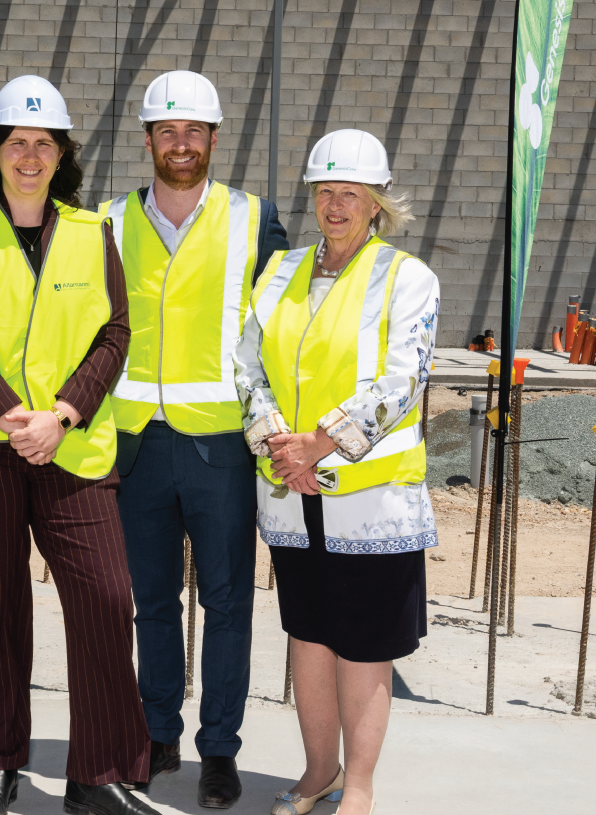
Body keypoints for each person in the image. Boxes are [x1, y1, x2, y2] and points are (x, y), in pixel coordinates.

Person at [0, 74, 154, 815]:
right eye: (16, 142)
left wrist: (63, 413)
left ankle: (100, 772)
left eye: (43, 143)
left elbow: (116, 332)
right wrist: (8, 416)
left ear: (62, 156)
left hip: (70, 444)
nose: (29, 155)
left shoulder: (92, 232)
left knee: (105, 597)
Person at [94, 70, 287, 809]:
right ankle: (156, 731)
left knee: (229, 600)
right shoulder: (105, 223)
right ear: (147, 140)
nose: (182, 144)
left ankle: (220, 749)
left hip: (221, 449)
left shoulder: (253, 219)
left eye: (194, 132)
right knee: (150, 600)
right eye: (168, 132)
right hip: (137, 444)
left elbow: (280, 329)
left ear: (213, 140)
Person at [233, 129, 438, 815]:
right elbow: (248, 362)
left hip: (371, 499)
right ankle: (318, 770)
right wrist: (274, 443)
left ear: (377, 203)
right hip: (296, 494)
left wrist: (320, 442)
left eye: (351, 194)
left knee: (364, 644)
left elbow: (403, 377)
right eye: (325, 192)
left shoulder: (407, 277)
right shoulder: (282, 271)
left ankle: (359, 786)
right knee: (311, 637)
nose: (336, 206)